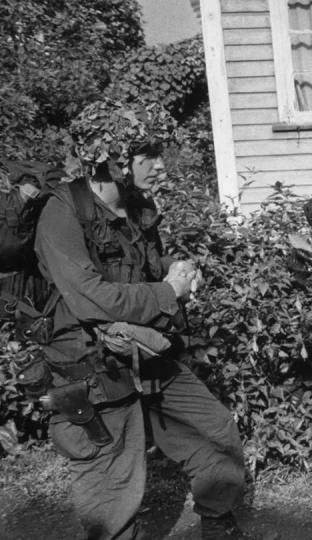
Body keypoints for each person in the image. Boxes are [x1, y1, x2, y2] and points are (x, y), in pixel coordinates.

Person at [32, 100, 254, 540]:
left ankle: (219, 524)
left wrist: (180, 269)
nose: (159, 166)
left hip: (148, 352)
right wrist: (168, 292)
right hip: (92, 368)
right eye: (146, 157)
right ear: (109, 161)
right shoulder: (60, 215)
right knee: (111, 483)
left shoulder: (133, 208)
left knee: (214, 431)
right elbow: (92, 298)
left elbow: (147, 268)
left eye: (158, 154)